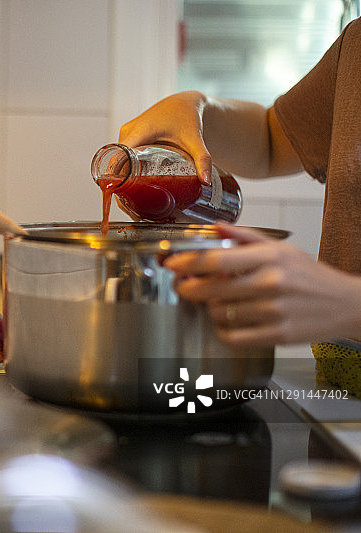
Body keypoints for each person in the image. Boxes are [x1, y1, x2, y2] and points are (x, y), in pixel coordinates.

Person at [117, 17, 361, 348]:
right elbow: (272, 141)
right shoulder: (356, 46)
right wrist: (197, 108)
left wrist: (351, 304)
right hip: (341, 378)